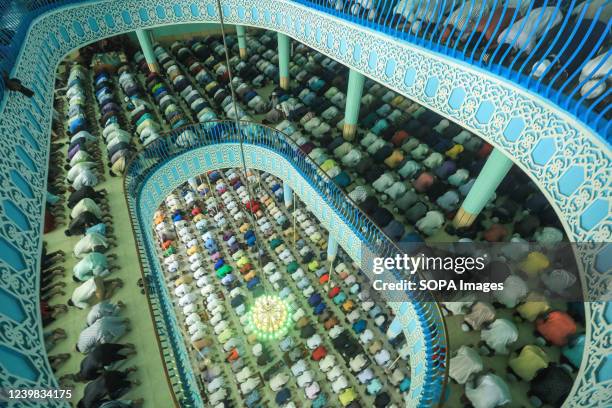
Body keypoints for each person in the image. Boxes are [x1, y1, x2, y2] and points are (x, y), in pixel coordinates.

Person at [64, 343, 136, 382]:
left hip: (102, 358)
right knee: (113, 347)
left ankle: (127, 355)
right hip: (100, 348)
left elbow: (101, 374)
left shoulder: (87, 376)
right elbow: (89, 357)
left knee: (110, 364)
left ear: (82, 379)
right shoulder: (81, 364)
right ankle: (125, 345)